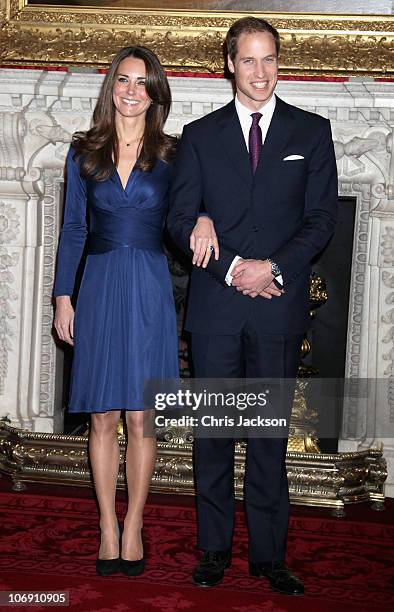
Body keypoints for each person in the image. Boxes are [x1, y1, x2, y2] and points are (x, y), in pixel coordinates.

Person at [168, 17, 338, 596]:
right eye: (249, 60)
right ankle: (214, 549)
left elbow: (321, 221)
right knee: (213, 434)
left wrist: (275, 269)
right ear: (230, 65)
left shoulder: (311, 132)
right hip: (217, 307)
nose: (261, 72)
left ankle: (268, 556)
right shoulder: (199, 135)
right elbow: (178, 219)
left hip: (279, 307)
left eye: (269, 60)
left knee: (268, 437)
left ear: (277, 64)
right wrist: (235, 266)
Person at [53, 45, 216, 578]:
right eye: (123, 80)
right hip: (98, 285)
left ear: (156, 93)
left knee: (141, 416)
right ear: (111, 87)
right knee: (102, 415)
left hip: (148, 285)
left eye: (143, 82)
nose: (131, 91)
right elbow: (74, 228)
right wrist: (62, 296)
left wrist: (207, 219)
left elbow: (198, 203)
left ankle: (135, 524)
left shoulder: (173, 154)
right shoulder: (84, 153)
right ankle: (105, 524)